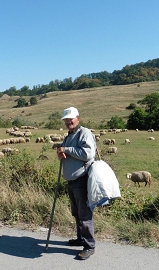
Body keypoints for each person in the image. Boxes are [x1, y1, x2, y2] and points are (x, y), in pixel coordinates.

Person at [56, 106, 97, 260]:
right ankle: (81, 239)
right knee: (76, 213)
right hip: (72, 181)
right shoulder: (69, 136)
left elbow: (88, 153)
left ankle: (89, 246)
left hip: (82, 179)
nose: (68, 121)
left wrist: (66, 149)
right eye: (66, 119)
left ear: (78, 118)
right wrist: (61, 154)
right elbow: (68, 154)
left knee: (85, 214)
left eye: (71, 118)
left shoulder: (83, 133)